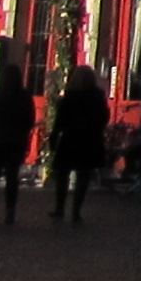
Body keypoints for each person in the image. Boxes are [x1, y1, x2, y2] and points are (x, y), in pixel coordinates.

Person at [47, 61, 111, 221]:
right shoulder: (97, 97)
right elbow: (104, 117)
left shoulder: (69, 97)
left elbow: (59, 121)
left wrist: (54, 138)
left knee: (63, 174)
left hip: (70, 139)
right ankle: (76, 211)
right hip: (90, 139)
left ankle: (60, 208)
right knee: (84, 175)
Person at [0, 61, 38, 223]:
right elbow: (30, 119)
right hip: (16, 141)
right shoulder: (24, 96)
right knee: (12, 177)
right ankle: (10, 211)